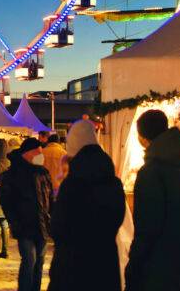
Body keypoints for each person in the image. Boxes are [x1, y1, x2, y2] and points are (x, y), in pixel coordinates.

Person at [124, 109, 180, 291]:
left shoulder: (151, 172)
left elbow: (147, 227)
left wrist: (134, 265)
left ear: (142, 136)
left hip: (158, 269)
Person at [48, 119, 126, 291]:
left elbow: (58, 227)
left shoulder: (72, 185)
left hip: (73, 265)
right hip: (104, 262)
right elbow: (117, 219)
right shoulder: (113, 183)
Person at [0, 138, 51, 291]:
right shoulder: (14, 173)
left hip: (42, 224)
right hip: (24, 225)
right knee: (29, 259)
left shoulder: (43, 172)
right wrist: (14, 221)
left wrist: (50, 216)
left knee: (40, 260)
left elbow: (50, 197)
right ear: (28, 153)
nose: (41, 155)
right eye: (38, 152)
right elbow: (6, 201)